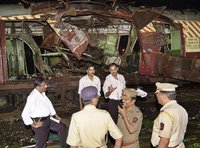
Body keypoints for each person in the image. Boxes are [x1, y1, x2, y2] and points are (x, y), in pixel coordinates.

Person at [21, 77, 67, 148]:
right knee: (42, 144)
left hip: (48, 119)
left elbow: (49, 105)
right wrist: (33, 124)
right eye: (44, 85)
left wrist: (56, 116)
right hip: (40, 122)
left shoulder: (42, 93)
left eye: (45, 84)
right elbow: (24, 114)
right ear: (37, 87)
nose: (46, 86)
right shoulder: (32, 97)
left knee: (62, 127)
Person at [151, 82, 188, 148]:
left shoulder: (166, 113)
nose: (157, 97)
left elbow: (164, 140)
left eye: (157, 95)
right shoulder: (181, 109)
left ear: (163, 95)